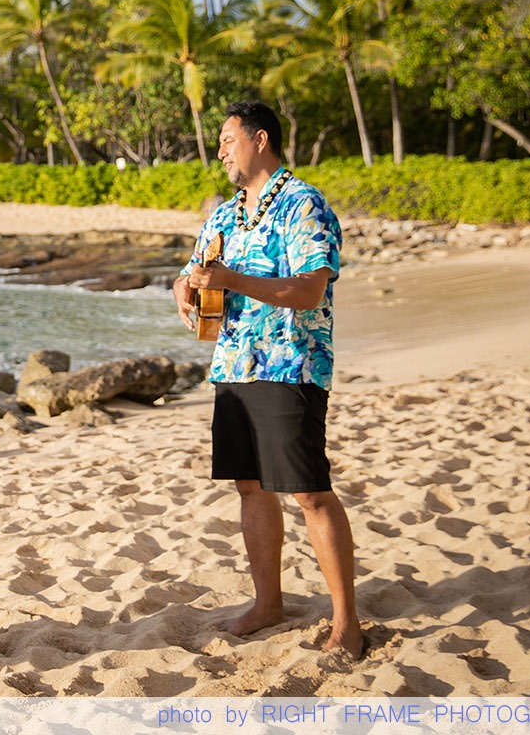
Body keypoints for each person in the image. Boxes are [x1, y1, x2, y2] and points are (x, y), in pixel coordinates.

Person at [172, 100, 364, 659]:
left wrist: (231, 277)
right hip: (233, 364)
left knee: (308, 491)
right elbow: (192, 272)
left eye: (228, 140)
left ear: (260, 140)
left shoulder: (303, 203)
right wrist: (182, 289)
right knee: (249, 486)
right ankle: (268, 604)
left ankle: (347, 621)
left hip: (291, 363)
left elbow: (308, 290)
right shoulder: (225, 213)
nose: (221, 151)